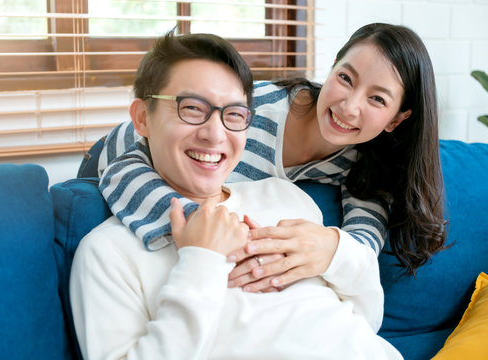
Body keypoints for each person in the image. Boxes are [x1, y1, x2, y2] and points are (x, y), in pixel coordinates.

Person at [69, 30, 402, 359]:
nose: (215, 134)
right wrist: (200, 257)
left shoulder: (290, 196)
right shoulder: (107, 253)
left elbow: (366, 315)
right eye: (192, 108)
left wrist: (334, 249)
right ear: (143, 117)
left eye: (233, 114)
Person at [97, 22, 447, 292]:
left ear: (398, 119)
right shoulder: (247, 116)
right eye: (345, 78)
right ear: (331, 68)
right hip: (117, 154)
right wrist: (212, 234)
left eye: (378, 100)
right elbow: (121, 165)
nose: (349, 106)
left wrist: (329, 247)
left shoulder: (367, 161)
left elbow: (361, 249)